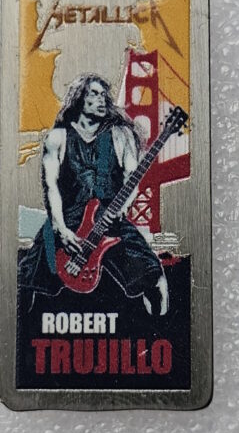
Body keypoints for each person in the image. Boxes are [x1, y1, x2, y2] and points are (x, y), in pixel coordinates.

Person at [18, 73, 168, 315]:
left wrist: (122, 208)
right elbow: (51, 187)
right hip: (68, 218)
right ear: (79, 98)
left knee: (154, 276)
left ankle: (160, 325)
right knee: (25, 278)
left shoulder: (120, 135)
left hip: (111, 217)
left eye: (104, 95)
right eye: (94, 94)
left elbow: (133, 178)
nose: (102, 100)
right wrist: (60, 229)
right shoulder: (58, 137)